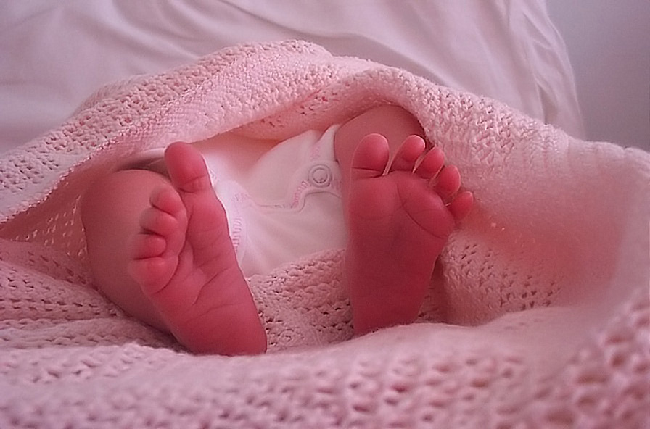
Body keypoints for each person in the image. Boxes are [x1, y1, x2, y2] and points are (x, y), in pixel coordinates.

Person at [80, 106, 474, 355]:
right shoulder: (160, 134)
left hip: (345, 194)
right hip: (203, 234)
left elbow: (333, 92)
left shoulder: (294, 99)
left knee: (388, 120)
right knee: (113, 194)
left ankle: (378, 267)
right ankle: (209, 314)